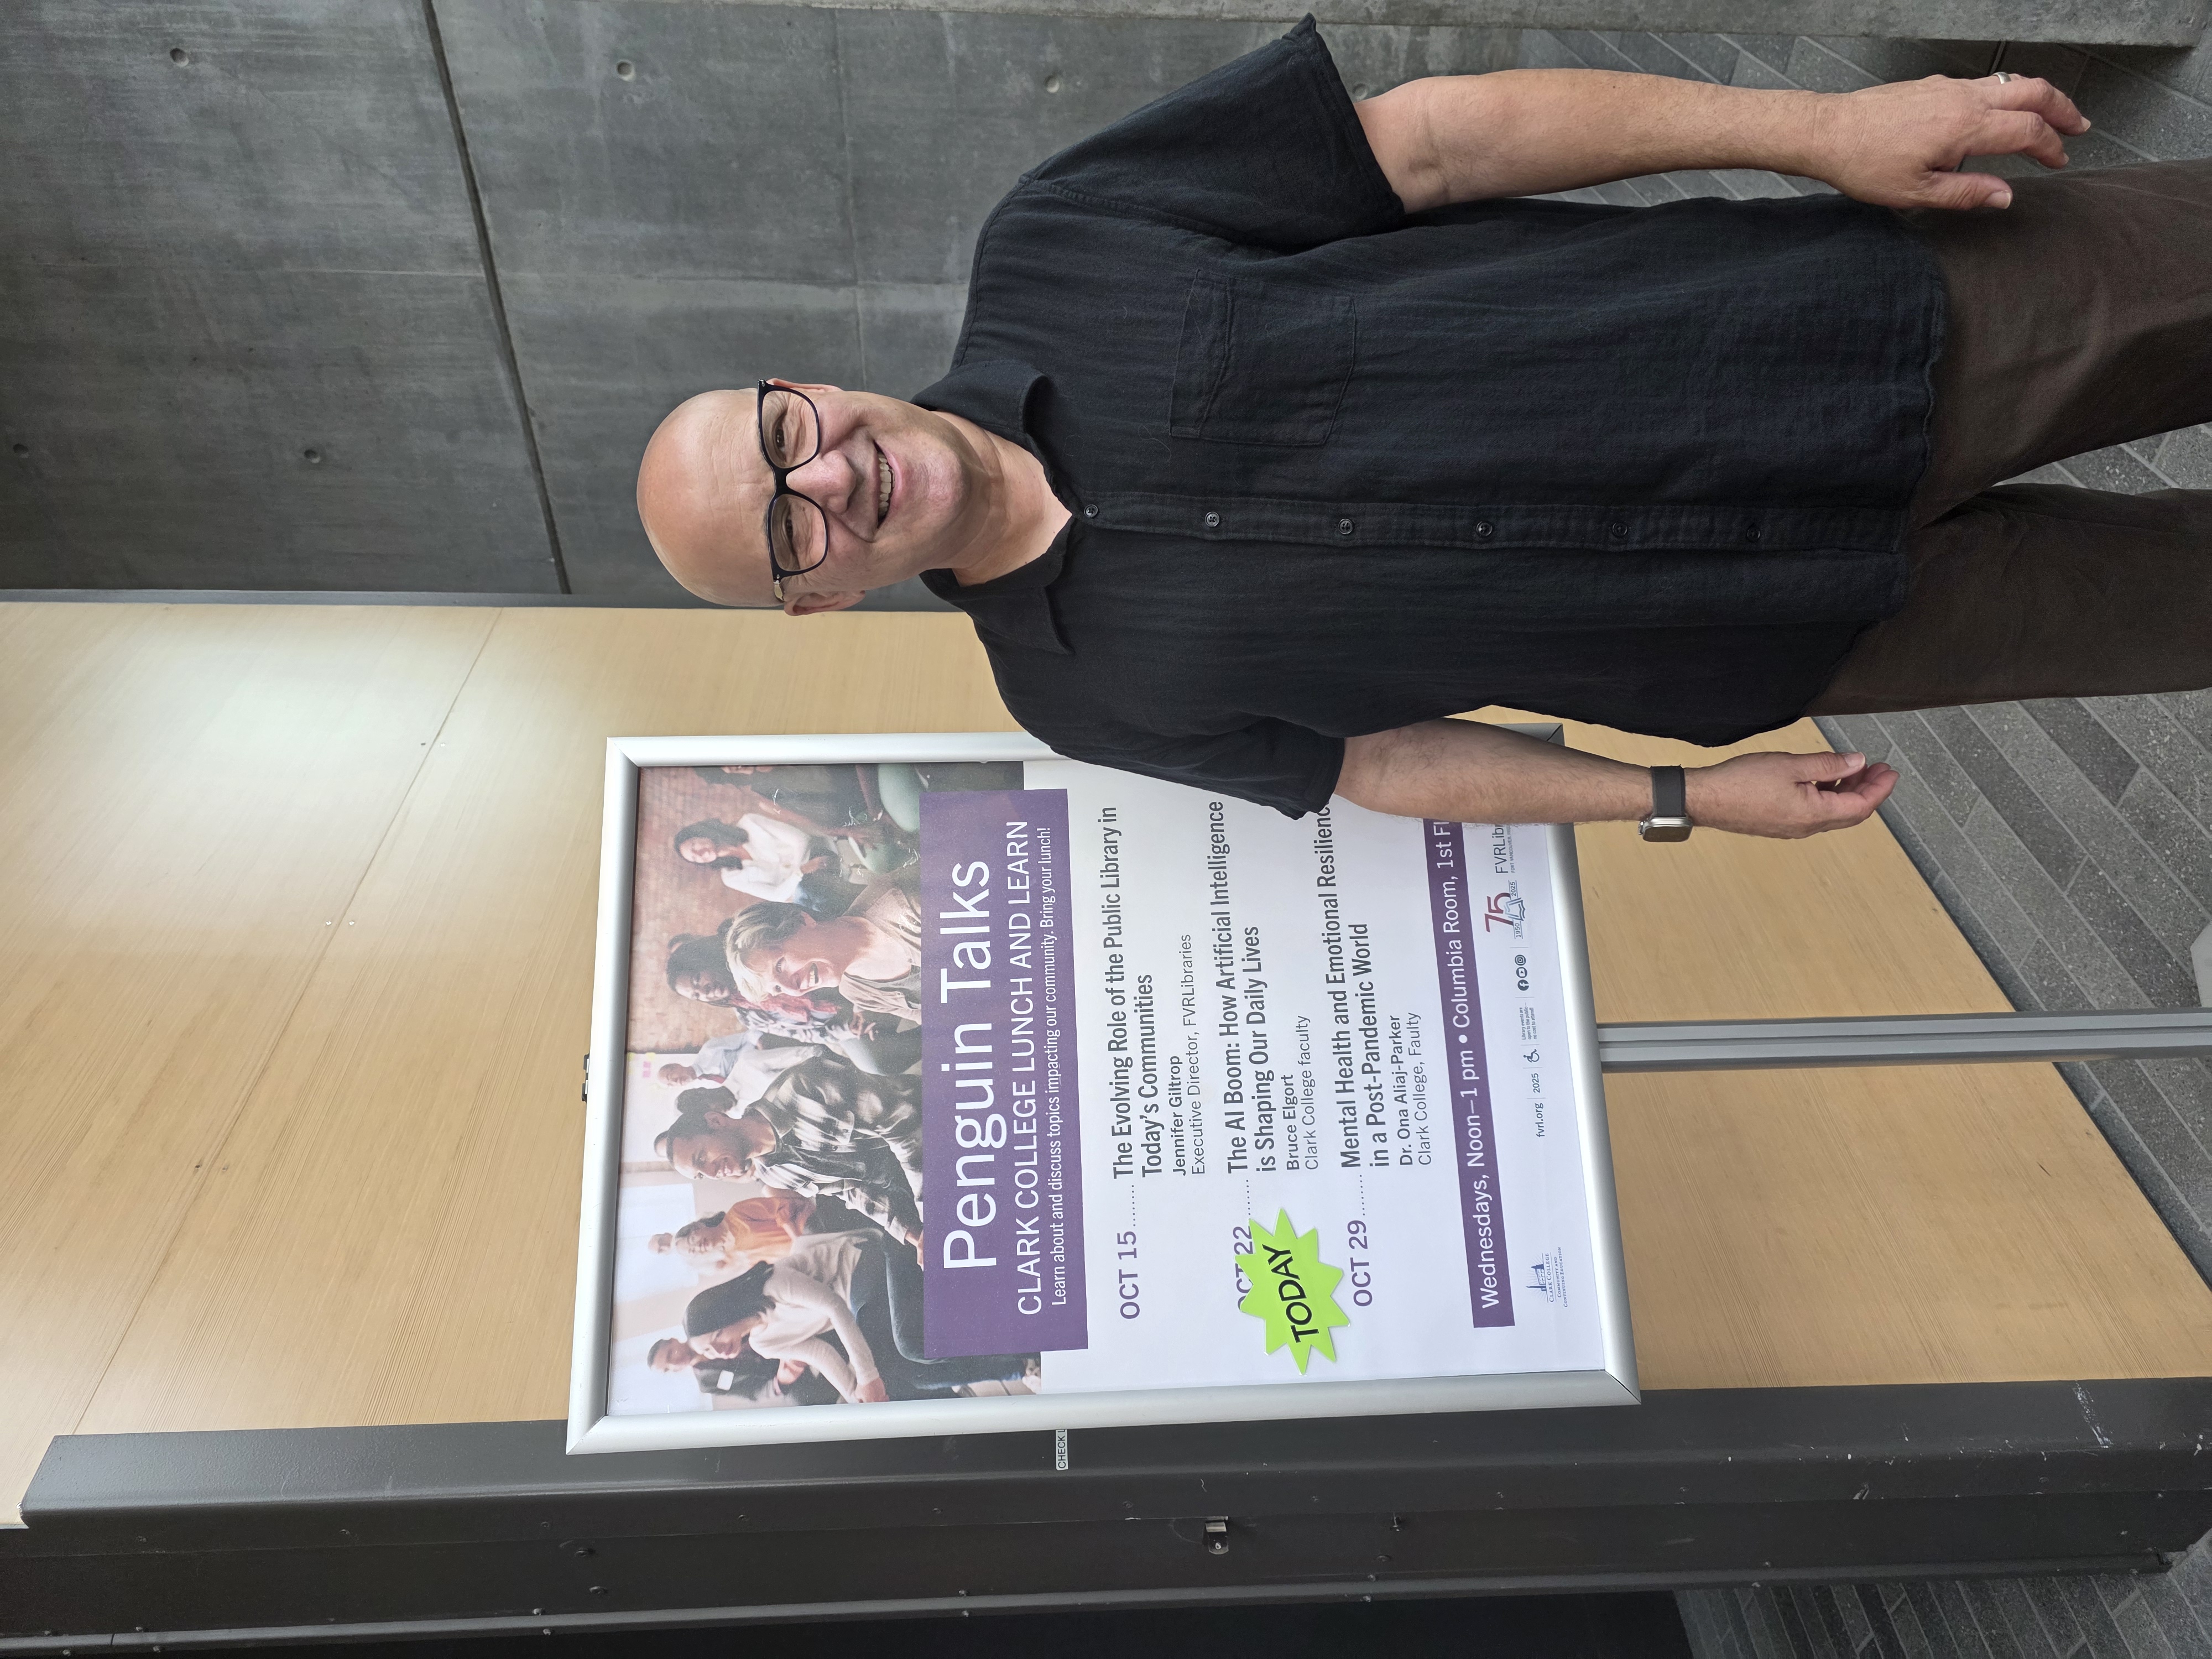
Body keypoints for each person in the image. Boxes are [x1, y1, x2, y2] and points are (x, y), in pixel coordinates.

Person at [634, 24, 2211, 844]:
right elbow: (1380, 761)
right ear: (813, 598)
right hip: (1785, 639)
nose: (828, 476)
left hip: (1844, 331)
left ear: (803, 385)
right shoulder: (1075, 697)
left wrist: (1825, 132)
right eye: (790, 526)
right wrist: (1670, 801)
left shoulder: (1061, 237)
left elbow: (1439, 144)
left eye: (786, 435)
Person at [681, 1238, 1032, 1402]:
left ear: (722, 1316)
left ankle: (1010, 1340)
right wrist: (857, 1399)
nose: (721, 1351)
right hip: (861, 1309)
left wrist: (868, 1378)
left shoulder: (773, 1284)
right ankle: (1019, 1365)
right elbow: (820, 1353)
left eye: (715, 1340)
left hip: (864, 1265)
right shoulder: (763, 1343)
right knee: (905, 1374)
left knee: (906, 1345)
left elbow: (835, 1307)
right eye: (711, 1354)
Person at [656, 1056, 926, 1249]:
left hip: (932, 1123)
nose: (713, 1174)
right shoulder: (773, 1176)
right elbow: (850, 1191)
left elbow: (905, 1124)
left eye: (702, 1158)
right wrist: (914, 1235)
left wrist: (929, 1215)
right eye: (702, 1176)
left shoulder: (801, 1087)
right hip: (905, 1184)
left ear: (716, 1121)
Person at [726, 867, 922, 1021]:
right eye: (778, 989)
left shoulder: (907, 904)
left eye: (780, 965)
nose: (794, 990)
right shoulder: (855, 992)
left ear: (803, 921)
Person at [672, 816, 858, 915]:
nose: (699, 854)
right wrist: (800, 872)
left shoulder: (749, 823)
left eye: (694, 846)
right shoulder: (730, 878)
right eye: (695, 858)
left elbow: (801, 839)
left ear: (701, 833)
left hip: (819, 853)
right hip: (807, 886)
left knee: (816, 893)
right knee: (813, 897)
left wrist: (800, 873)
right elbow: (775, 896)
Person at [648, 1191, 818, 1272]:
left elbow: (783, 1207)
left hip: (808, 1228)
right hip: (808, 1253)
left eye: (693, 1240)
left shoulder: (737, 1214)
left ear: (698, 1227)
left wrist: (800, 1241)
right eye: (694, 1251)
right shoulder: (733, 1255)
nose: (699, 1247)